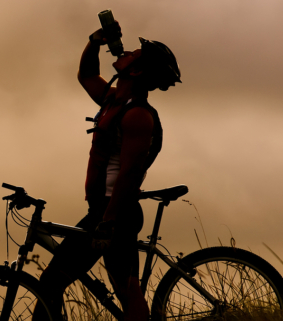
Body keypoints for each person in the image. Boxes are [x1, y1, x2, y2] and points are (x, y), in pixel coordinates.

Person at [34, 22, 181, 321]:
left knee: (58, 282)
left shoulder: (138, 115)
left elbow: (130, 173)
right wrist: (94, 41)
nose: (126, 51)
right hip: (106, 211)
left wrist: (108, 221)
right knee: (124, 289)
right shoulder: (115, 99)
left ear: (136, 71)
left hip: (116, 212)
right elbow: (87, 74)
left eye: (134, 53)